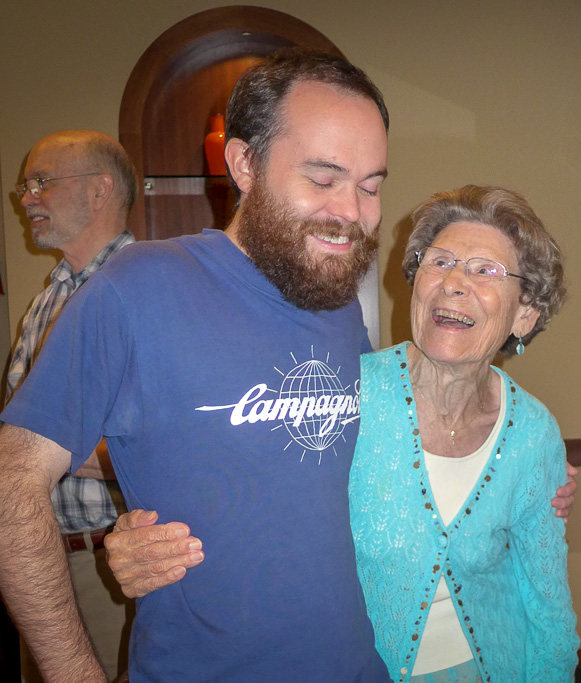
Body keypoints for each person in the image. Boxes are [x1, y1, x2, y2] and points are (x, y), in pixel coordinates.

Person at [0, 49, 393, 682]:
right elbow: (11, 481)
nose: (352, 210)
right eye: (323, 179)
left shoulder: (336, 299)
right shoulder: (138, 287)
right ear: (244, 164)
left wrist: (514, 454)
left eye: (371, 185)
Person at [109, 185, 580, 682]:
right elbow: (239, 487)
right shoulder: (341, 392)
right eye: (439, 262)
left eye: (485, 270)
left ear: (524, 314)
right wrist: (142, 540)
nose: (454, 283)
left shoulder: (532, 433)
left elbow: (547, 605)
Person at [8, 130, 138, 681]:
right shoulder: (47, 298)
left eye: (41, 182)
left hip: (112, 571)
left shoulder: (149, 288)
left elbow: (173, 443)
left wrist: (35, 456)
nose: (26, 198)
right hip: (38, 565)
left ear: (99, 191)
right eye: (24, 186)